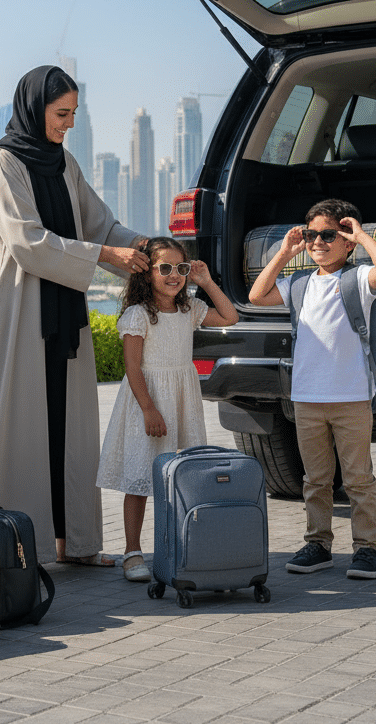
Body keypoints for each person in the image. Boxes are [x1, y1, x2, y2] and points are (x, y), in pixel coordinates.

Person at [0, 65, 150, 567]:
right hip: (15, 314)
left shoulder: (64, 163)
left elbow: (101, 223)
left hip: (60, 313)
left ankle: (73, 541)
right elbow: (26, 240)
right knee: (15, 426)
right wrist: (102, 257)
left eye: (74, 114)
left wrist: (143, 247)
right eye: (61, 113)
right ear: (35, 108)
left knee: (64, 426)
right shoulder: (3, 163)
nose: (68, 123)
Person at [249, 198, 376, 580]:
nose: (318, 241)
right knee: (315, 480)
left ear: (346, 241)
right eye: (312, 235)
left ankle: (367, 550)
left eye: (328, 235)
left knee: (358, 479)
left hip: (350, 398)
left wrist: (363, 235)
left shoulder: (358, 280)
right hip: (307, 399)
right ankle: (318, 544)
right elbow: (256, 295)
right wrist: (284, 252)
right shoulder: (298, 283)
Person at [97, 237, 238, 582]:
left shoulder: (190, 309)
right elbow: (132, 368)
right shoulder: (138, 314)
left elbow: (230, 316)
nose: (174, 275)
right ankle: (132, 552)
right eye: (165, 268)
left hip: (181, 400)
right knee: (141, 477)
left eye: (181, 268)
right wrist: (148, 409)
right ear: (147, 274)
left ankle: (178, 545)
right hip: (149, 401)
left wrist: (205, 281)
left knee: (183, 473)